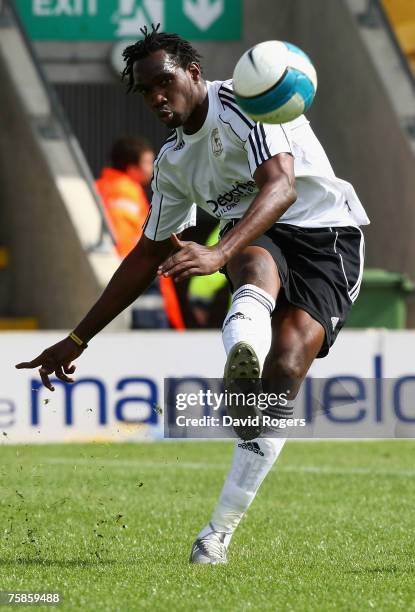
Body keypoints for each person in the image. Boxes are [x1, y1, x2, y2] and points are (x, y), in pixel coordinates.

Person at [16, 27, 369, 565]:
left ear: (194, 74)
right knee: (254, 262)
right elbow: (144, 256)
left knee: (290, 359)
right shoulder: (174, 163)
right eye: (146, 91)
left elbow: (280, 186)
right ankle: (239, 361)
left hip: (328, 236)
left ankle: (217, 531)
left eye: (165, 82)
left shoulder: (243, 103)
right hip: (256, 238)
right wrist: (77, 337)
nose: (157, 97)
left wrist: (216, 252)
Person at [96, 136, 185, 330]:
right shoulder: (124, 191)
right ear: (132, 168)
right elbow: (128, 242)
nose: (151, 168)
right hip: (141, 277)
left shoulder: (104, 187)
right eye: (146, 162)